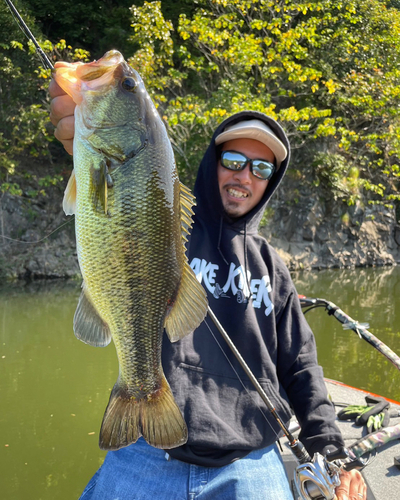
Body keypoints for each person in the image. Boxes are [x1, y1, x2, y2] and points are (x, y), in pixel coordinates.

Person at [50, 79, 367, 500]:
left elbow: (301, 367)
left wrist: (331, 449)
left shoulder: (272, 267)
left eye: (261, 168)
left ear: (270, 181)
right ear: (211, 162)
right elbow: (114, 188)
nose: (244, 176)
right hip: (147, 451)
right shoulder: (166, 229)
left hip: (250, 460)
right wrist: (83, 135)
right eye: (234, 159)